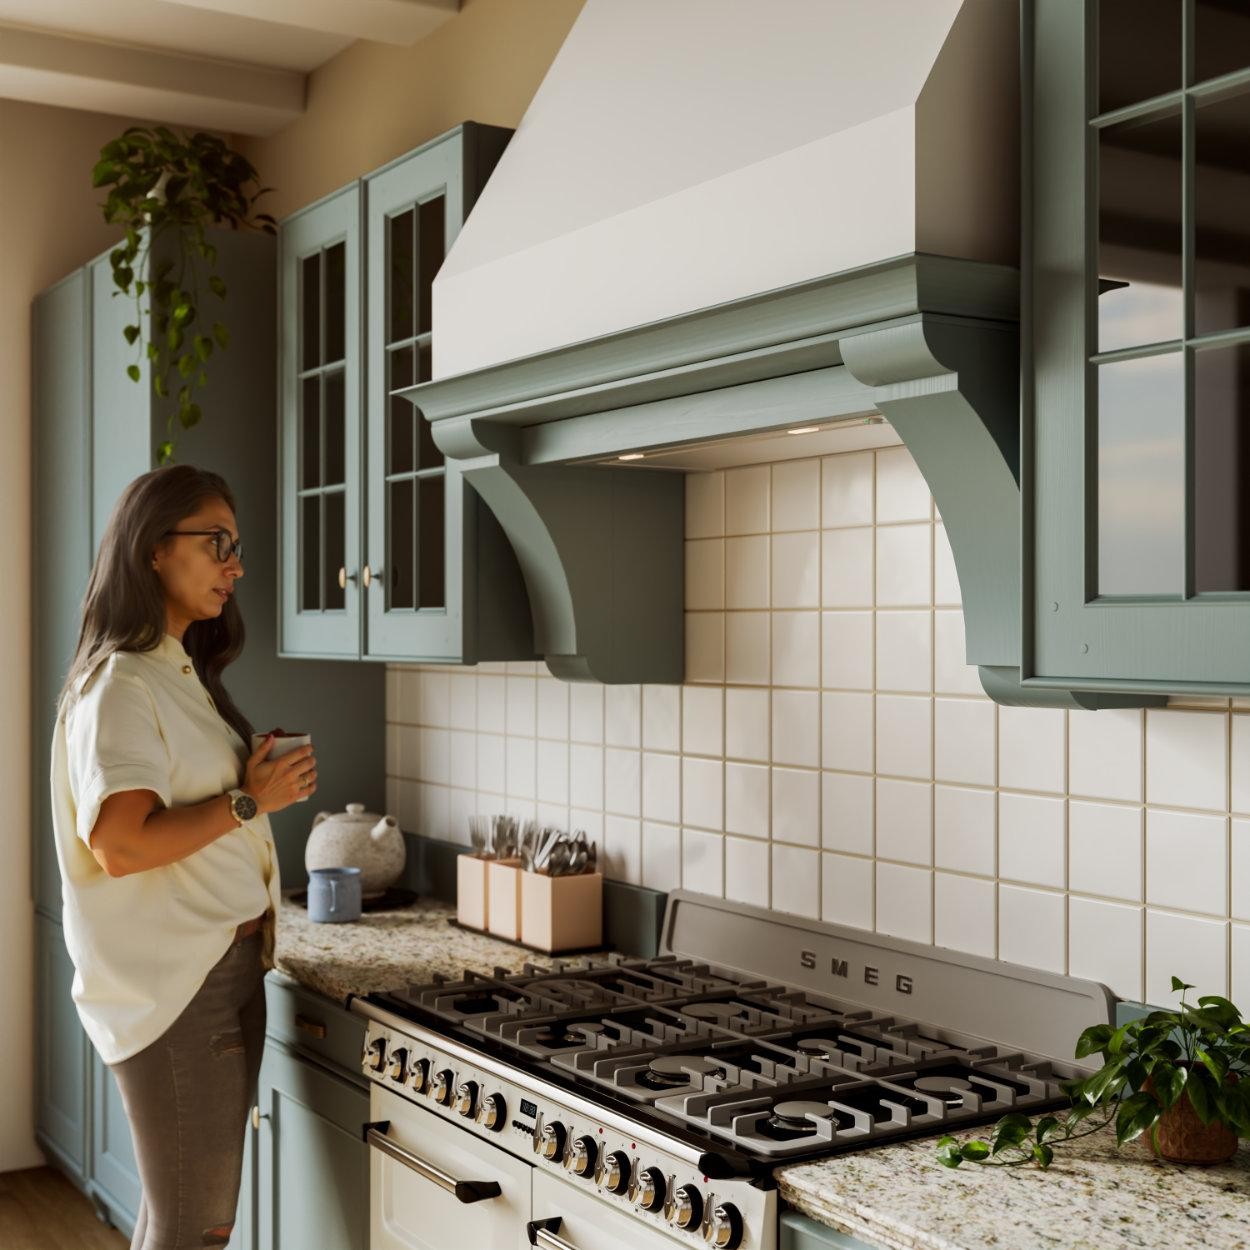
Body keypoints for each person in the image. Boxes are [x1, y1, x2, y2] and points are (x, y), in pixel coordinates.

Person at [50, 464, 317, 1250]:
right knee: (196, 1228)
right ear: (154, 549)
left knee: (177, 1219)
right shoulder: (121, 683)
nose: (236, 564)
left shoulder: (171, 669)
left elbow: (173, 806)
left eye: (237, 546)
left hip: (217, 968)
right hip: (177, 987)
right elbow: (123, 844)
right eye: (218, 543)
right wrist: (249, 802)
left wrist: (246, 777)